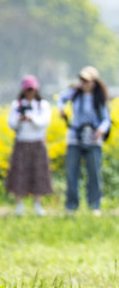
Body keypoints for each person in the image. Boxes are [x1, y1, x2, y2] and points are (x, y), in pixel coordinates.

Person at [57, 66, 111, 215]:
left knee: (94, 173)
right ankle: (71, 205)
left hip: (93, 139)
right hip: (75, 137)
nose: (84, 83)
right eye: (82, 80)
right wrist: (61, 109)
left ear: (94, 82)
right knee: (72, 172)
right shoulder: (75, 93)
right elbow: (61, 98)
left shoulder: (99, 98)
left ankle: (95, 205)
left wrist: (100, 130)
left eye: (87, 80)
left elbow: (106, 119)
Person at [6, 75, 53, 216]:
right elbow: (12, 124)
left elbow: (44, 122)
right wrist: (21, 119)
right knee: (19, 173)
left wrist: (31, 118)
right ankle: (19, 205)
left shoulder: (42, 105)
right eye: (27, 90)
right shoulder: (17, 105)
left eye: (32, 90)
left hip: (37, 143)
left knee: (39, 174)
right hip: (21, 142)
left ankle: (38, 204)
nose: (30, 93)